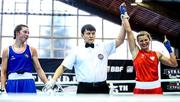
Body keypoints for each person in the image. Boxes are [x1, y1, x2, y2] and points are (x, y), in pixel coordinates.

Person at [43, 23, 126, 94]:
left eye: (93, 33)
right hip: (84, 88)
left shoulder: (104, 47)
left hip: (102, 87)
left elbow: (120, 40)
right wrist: (53, 80)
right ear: (82, 35)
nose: (91, 36)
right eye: (88, 33)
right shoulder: (76, 50)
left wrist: (123, 23)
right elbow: (63, 66)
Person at [119, 3, 178, 94]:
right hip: (140, 90)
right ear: (138, 42)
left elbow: (174, 64)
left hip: (156, 90)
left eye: (146, 40)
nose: (144, 42)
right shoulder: (135, 52)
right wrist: (124, 13)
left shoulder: (157, 54)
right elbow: (129, 31)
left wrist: (169, 48)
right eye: (141, 41)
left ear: (149, 40)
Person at [0, 24, 48, 93]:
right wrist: (2, 88)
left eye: (28, 33)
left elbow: (39, 69)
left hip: (28, 82)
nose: (27, 34)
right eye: (25, 32)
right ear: (17, 33)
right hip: (12, 83)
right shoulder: (6, 50)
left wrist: (47, 84)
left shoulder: (32, 49)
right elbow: (3, 72)